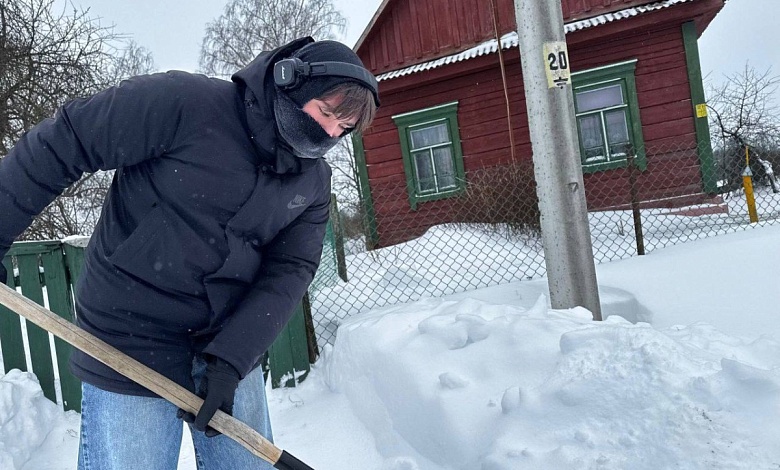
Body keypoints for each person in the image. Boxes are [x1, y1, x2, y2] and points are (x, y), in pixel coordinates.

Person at [0, 36, 379, 469]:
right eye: (326, 114)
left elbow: (290, 270)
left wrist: (231, 359)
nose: (328, 134)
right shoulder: (184, 104)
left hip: (227, 342)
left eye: (342, 129)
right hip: (130, 337)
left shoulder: (311, 182)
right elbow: (67, 140)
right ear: (287, 82)